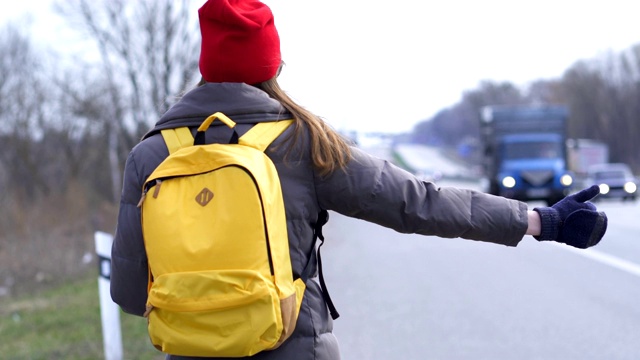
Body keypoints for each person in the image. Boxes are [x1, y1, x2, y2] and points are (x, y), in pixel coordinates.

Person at [110, 1, 608, 359]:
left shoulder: (150, 155)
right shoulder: (304, 141)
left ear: (207, 65)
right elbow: (418, 203)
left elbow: (132, 295)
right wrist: (539, 220)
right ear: (272, 65)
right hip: (294, 349)